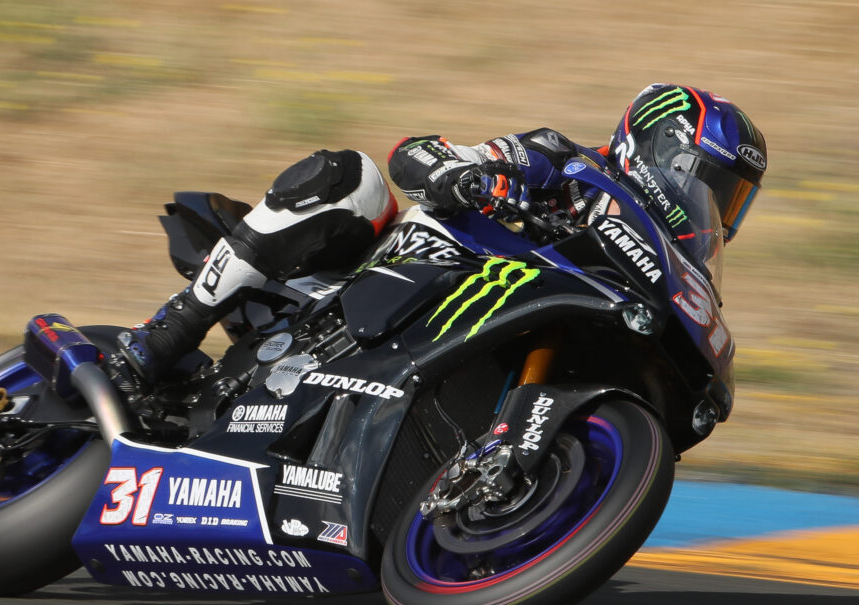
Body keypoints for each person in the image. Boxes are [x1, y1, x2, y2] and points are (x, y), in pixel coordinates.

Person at [115, 83, 767, 388]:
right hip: (376, 285)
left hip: (478, 332)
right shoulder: (567, 162)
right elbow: (418, 152)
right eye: (708, 182)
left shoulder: (657, 265)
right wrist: (464, 176)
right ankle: (164, 334)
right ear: (658, 149)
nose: (714, 208)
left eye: (731, 199)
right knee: (352, 177)